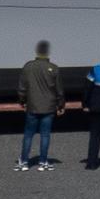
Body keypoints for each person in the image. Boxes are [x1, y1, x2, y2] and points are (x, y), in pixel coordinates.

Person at [16, 40, 65, 171]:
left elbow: (22, 87)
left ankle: (24, 161)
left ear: (36, 52)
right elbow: (59, 90)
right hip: (49, 107)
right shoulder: (54, 68)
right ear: (48, 53)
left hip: (32, 105)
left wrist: (22, 101)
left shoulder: (28, 67)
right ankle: (43, 161)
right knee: (45, 135)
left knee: (28, 134)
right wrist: (61, 105)